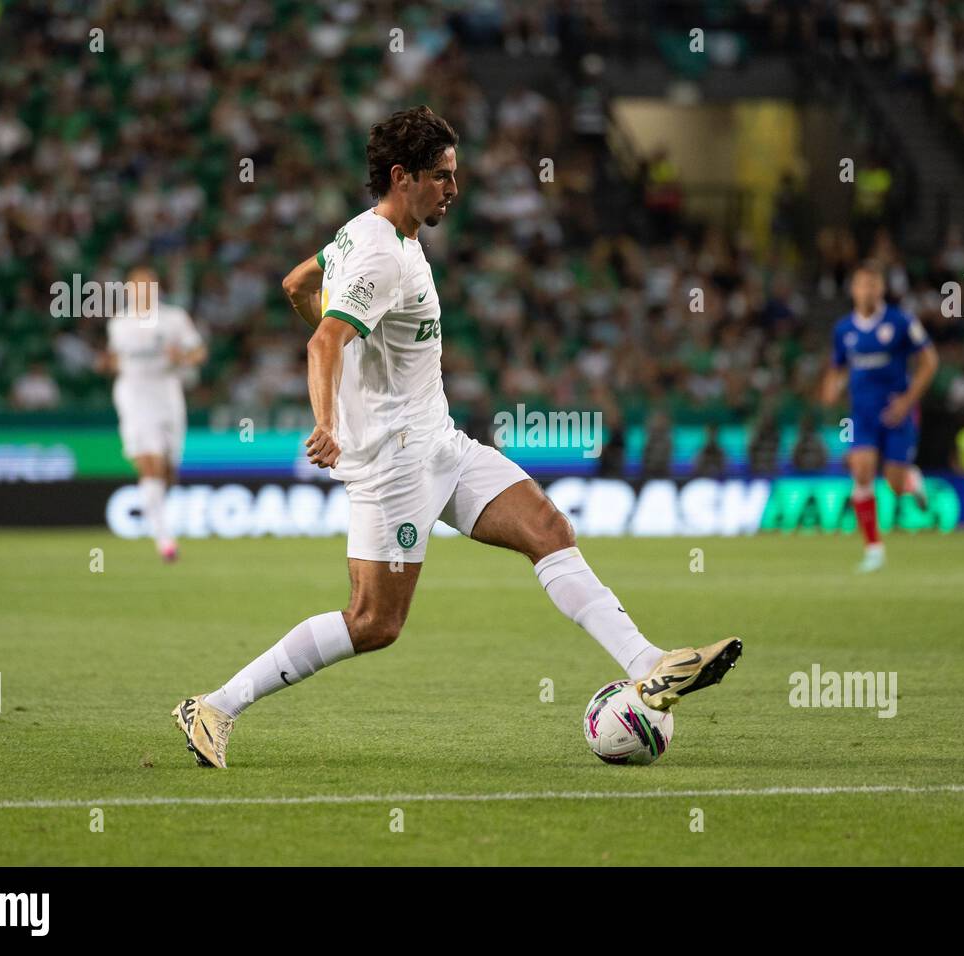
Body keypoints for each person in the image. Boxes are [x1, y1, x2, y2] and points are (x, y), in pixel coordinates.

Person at [172, 106, 740, 768]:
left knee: (550, 531)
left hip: (440, 443)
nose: (454, 188)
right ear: (401, 176)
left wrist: (343, 350)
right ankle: (214, 706)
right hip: (393, 464)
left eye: (454, 174)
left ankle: (650, 666)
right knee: (373, 623)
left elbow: (298, 284)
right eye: (442, 176)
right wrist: (328, 421)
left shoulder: (367, 237)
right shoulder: (382, 255)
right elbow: (326, 340)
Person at [820, 262, 938, 573]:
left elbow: (929, 361)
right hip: (861, 415)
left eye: (873, 285)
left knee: (895, 484)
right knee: (861, 470)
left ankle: (911, 480)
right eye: (862, 285)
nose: (867, 291)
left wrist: (908, 400)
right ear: (853, 290)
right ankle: (873, 548)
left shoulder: (900, 322)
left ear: (882, 289)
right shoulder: (843, 330)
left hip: (896, 412)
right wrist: (830, 390)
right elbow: (837, 366)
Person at [101, 265, 205, 562]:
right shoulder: (119, 323)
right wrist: (105, 363)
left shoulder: (173, 318)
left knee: (168, 469)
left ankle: (157, 512)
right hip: (133, 394)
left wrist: (182, 357)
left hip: (167, 393)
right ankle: (164, 540)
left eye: (147, 286)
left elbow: (199, 353)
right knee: (149, 462)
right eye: (135, 287)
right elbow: (114, 360)